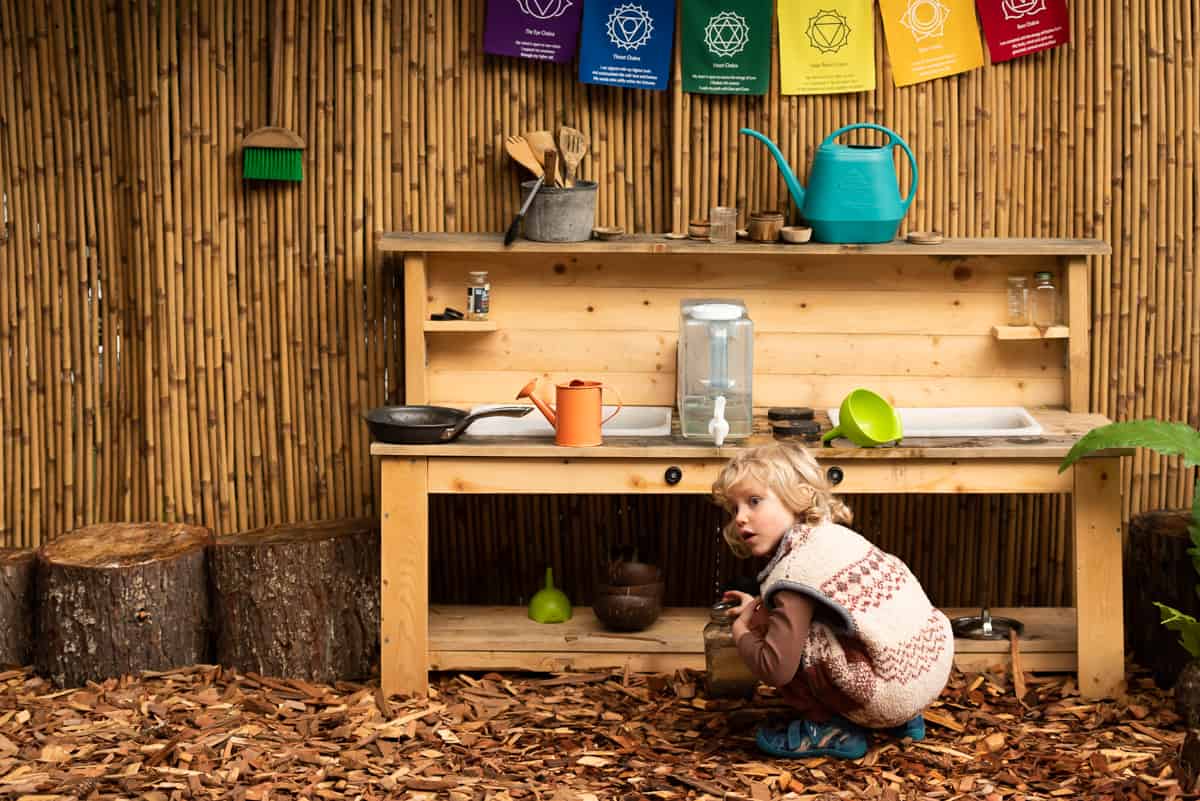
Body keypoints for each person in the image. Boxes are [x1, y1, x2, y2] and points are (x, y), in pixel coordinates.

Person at [711, 441, 953, 759]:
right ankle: (904, 722)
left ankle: (828, 729)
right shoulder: (831, 537)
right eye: (735, 508)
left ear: (796, 498)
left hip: (889, 695)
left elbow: (775, 668)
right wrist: (758, 606)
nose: (741, 518)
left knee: (787, 641)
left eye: (754, 501)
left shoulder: (793, 572)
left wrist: (743, 630)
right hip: (926, 670)